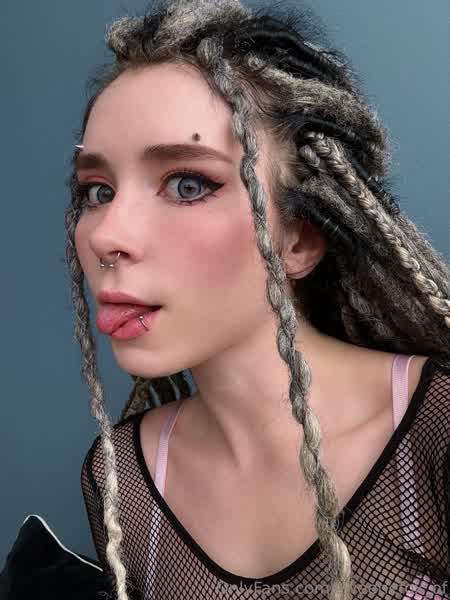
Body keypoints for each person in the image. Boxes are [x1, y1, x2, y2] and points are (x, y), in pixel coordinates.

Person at [66, 0, 450, 598]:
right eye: (97, 191)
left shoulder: (437, 428)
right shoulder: (123, 477)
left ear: (299, 239)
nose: (106, 236)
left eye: (187, 184)